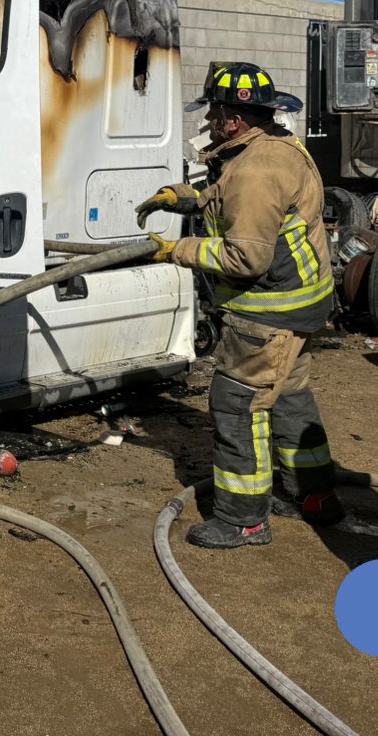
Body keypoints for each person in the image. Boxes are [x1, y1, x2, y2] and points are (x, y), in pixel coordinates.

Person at [136, 63, 340, 549]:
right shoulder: (273, 148)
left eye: (213, 111)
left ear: (233, 118)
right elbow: (231, 200)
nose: (208, 120)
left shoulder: (256, 169)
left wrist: (175, 251)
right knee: (288, 397)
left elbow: (245, 257)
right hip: (300, 306)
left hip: (266, 313)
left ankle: (243, 519)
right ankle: (313, 496)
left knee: (236, 406)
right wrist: (183, 198)